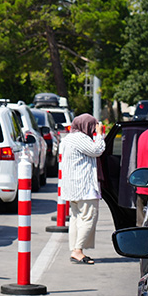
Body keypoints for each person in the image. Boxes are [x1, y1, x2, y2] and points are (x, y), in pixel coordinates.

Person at [59, 113, 105, 264]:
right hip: (84, 186)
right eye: (92, 126)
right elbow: (97, 150)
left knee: (76, 218)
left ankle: (75, 250)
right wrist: (100, 135)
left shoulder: (67, 139)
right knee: (88, 218)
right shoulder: (80, 138)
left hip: (73, 187)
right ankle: (78, 250)